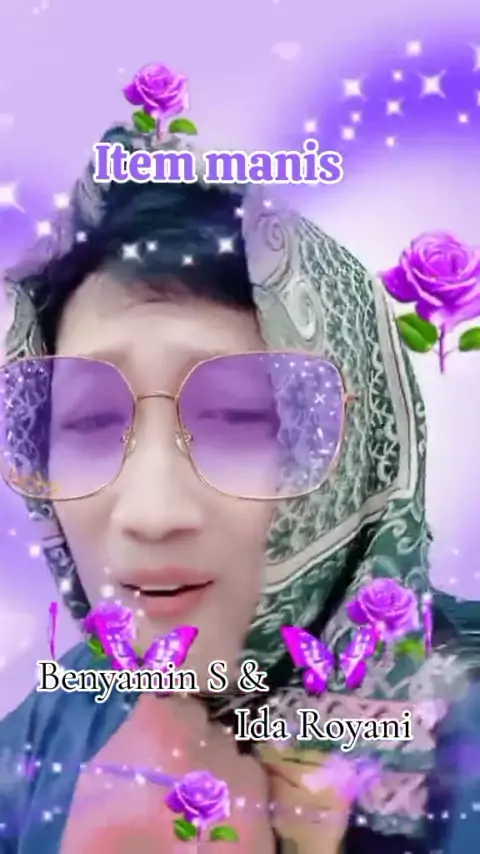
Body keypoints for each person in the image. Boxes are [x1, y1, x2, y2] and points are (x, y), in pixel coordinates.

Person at [0, 121, 466, 853]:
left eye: (238, 418)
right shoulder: (57, 726)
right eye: (89, 422)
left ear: (360, 446)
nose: (151, 513)